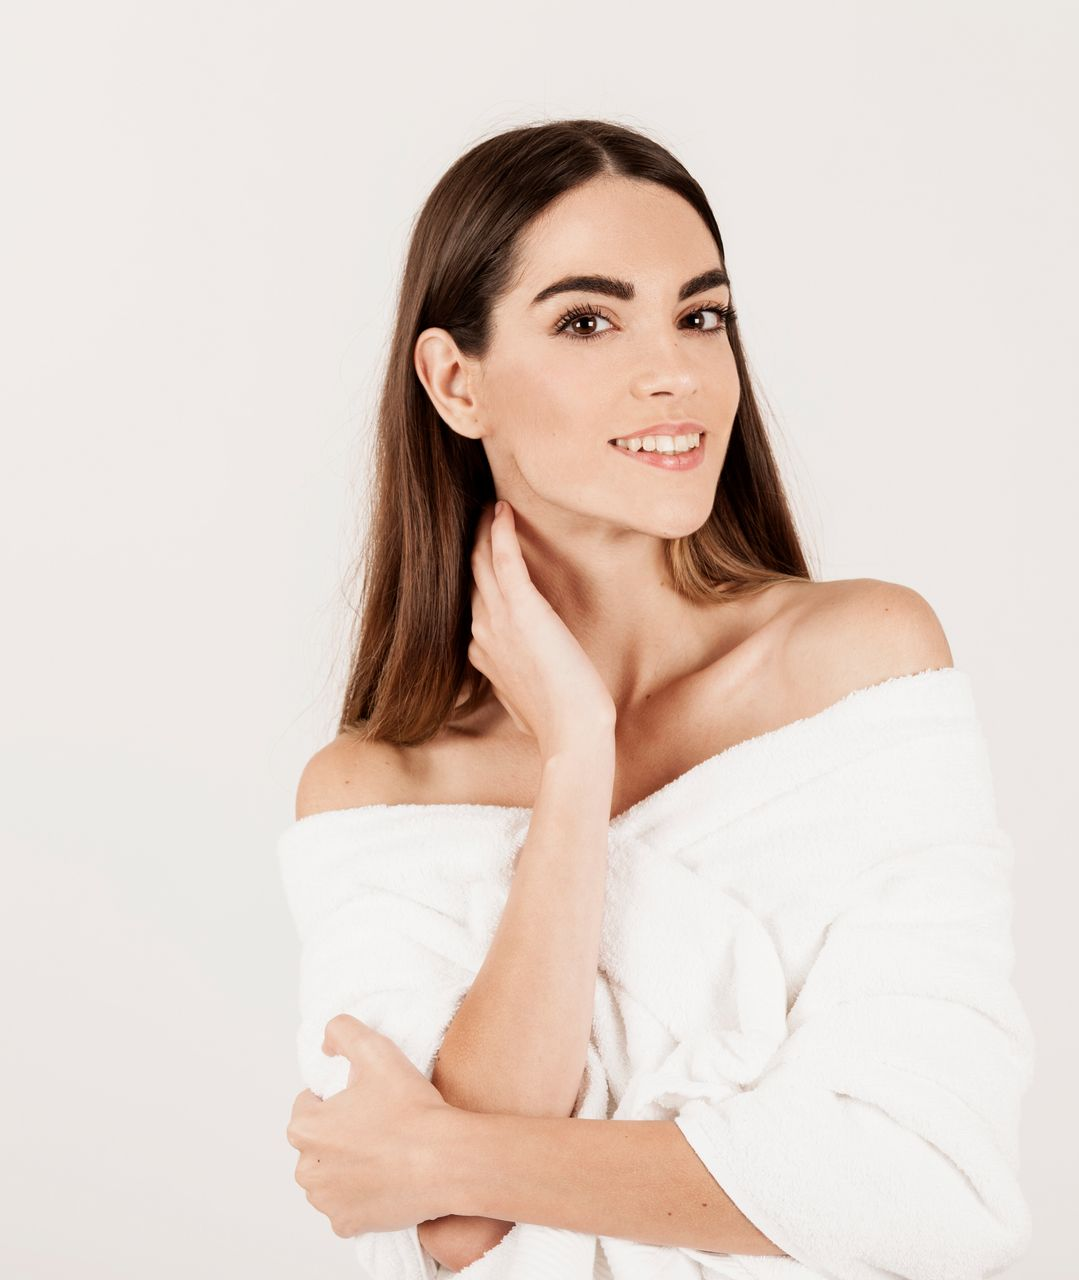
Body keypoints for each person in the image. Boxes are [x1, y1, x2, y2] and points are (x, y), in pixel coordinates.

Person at [281, 118, 1032, 1280]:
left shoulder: (860, 668)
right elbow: (449, 1236)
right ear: (455, 380)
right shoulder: (374, 790)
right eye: (588, 321)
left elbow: (928, 1188)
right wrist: (574, 763)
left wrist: (444, 1150)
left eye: (700, 315)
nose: (674, 371)